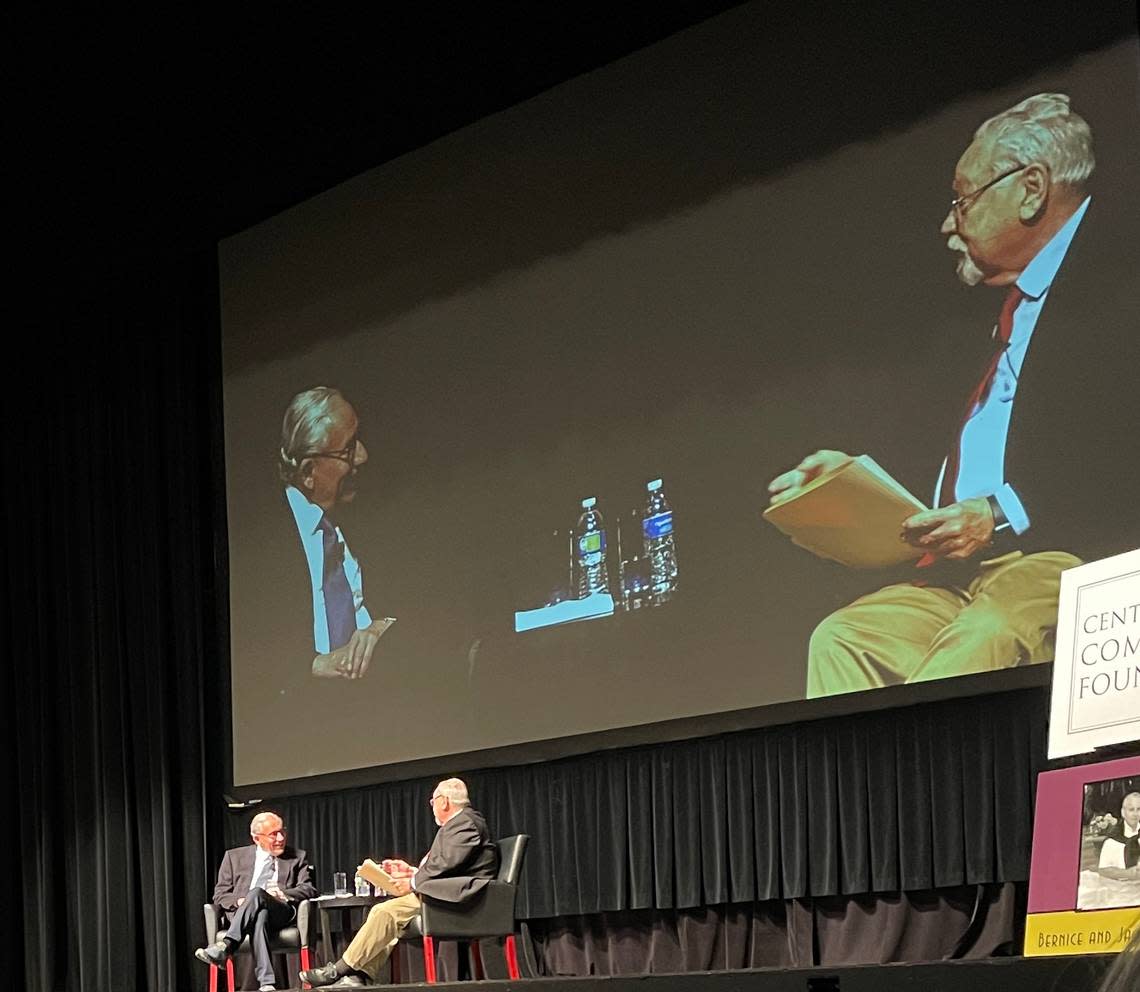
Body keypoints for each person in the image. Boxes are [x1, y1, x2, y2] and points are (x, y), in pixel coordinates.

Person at [767, 93, 1140, 697]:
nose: (948, 223)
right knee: (841, 637)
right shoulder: (994, 312)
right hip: (961, 572)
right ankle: (874, 796)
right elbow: (985, 447)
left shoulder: (1119, 276)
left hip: (1067, 557)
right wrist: (857, 484)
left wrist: (998, 516)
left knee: (989, 631)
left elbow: (1121, 449)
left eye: (962, 201)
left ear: (1031, 190)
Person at [299, 778, 499, 989]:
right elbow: (450, 867)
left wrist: (412, 882)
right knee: (386, 917)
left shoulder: (464, 823)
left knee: (385, 913)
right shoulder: (459, 824)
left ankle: (338, 970)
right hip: (444, 894)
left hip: (461, 900)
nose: (432, 808)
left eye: (433, 802)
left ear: (444, 802)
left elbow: (445, 863)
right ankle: (359, 976)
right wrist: (411, 871)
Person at [277, 386, 391, 680]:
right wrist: (314, 666)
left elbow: (419, 601)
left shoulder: (371, 518)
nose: (363, 457)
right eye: (348, 449)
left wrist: (379, 628)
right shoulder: (266, 546)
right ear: (307, 472)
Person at [195, 811, 318, 992]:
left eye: (282, 831)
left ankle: (226, 945)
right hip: (246, 914)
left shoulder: (297, 857)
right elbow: (220, 895)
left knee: (257, 894)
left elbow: (308, 888)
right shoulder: (233, 857)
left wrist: (282, 894)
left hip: (281, 912)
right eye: (273, 834)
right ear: (256, 838)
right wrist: (240, 901)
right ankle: (267, 983)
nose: (280, 837)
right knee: (260, 912)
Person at [1097, 792, 1140, 881]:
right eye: (1131, 809)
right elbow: (1103, 871)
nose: (1135, 814)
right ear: (1123, 812)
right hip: (1120, 890)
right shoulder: (1111, 841)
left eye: (1139, 809)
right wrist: (1128, 873)